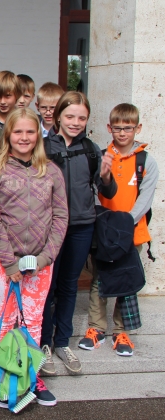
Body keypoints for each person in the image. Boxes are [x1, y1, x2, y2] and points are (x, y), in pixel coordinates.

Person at [0, 108, 68, 408]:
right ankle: (3, 376)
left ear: (38, 135)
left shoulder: (51, 171)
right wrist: (9, 262)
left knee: (32, 320)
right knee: (4, 318)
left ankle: (31, 376)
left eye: (30, 131)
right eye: (18, 131)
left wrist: (45, 257)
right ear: (8, 134)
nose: (24, 137)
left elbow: (61, 217)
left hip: (40, 263)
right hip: (4, 262)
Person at [40, 92, 117, 375]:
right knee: (47, 286)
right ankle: (44, 343)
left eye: (81, 118)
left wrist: (106, 176)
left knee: (69, 285)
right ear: (58, 115)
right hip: (50, 227)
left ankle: (62, 342)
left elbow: (107, 191)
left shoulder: (91, 149)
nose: (75, 122)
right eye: (70, 116)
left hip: (82, 225)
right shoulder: (42, 147)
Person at [79, 103, 158, 357]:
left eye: (128, 128)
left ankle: (121, 331)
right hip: (104, 231)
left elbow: (145, 198)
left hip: (132, 232)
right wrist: (106, 222)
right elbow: (94, 192)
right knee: (98, 280)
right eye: (117, 128)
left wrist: (125, 224)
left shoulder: (145, 161)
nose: (122, 133)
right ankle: (96, 328)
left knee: (126, 281)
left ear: (138, 128)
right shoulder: (103, 157)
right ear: (109, 128)